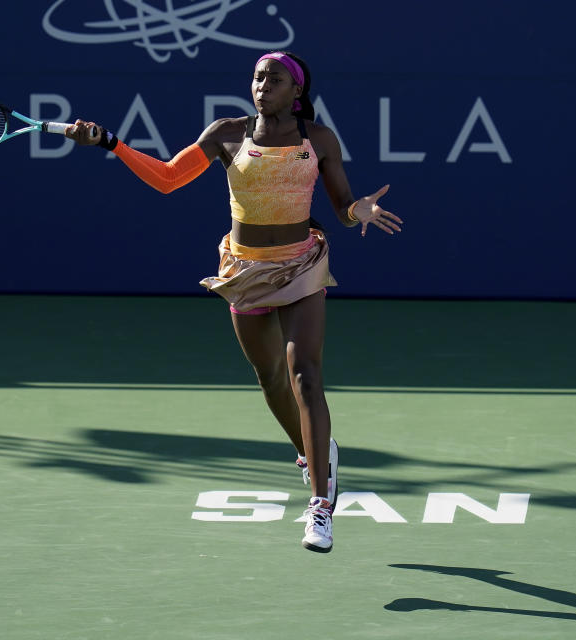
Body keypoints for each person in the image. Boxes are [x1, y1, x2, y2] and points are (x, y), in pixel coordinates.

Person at [65, 51, 402, 553]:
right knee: (270, 379)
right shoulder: (226, 133)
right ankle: (314, 452)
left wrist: (360, 210)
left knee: (303, 373)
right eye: (258, 76)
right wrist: (111, 143)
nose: (263, 84)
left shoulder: (320, 140)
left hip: (301, 265)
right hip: (244, 270)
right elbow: (166, 178)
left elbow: (341, 209)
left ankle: (320, 508)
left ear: (297, 92)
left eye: (276, 78)